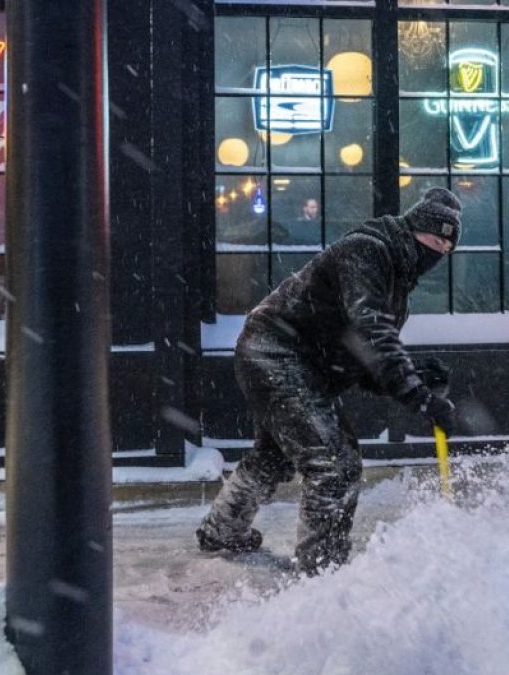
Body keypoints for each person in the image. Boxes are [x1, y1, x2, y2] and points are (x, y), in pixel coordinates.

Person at [196, 187, 463, 576]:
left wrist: (414, 374)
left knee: (274, 455)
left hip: (299, 364)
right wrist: (418, 396)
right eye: (434, 238)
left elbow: (365, 359)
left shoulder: (396, 279)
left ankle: (222, 531)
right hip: (276, 352)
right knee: (335, 465)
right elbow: (373, 332)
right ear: (414, 228)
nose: (438, 251)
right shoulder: (369, 251)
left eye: (446, 246)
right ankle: (322, 574)